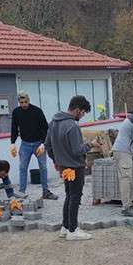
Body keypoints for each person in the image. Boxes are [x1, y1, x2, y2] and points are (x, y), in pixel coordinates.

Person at [45, 95, 94, 241]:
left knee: (69, 195)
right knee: (75, 196)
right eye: (83, 112)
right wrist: (91, 144)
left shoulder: (53, 122)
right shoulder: (72, 126)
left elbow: (47, 145)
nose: (83, 115)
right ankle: (73, 230)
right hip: (75, 166)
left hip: (64, 167)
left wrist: (56, 160)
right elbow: (77, 150)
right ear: (77, 110)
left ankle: (65, 227)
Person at [10, 92, 57, 200]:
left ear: (29, 100)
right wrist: (12, 143)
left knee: (43, 167)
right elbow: (14, 128)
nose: (24, 104)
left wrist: (43, 144)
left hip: (38, 143)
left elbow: (45, 128)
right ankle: (22, 193)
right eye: (21, 102)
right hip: (25, 144)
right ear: (19, 102)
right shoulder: (16, 112)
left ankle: (46, 192)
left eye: (25, 102)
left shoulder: (37, 111)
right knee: (22, 168)